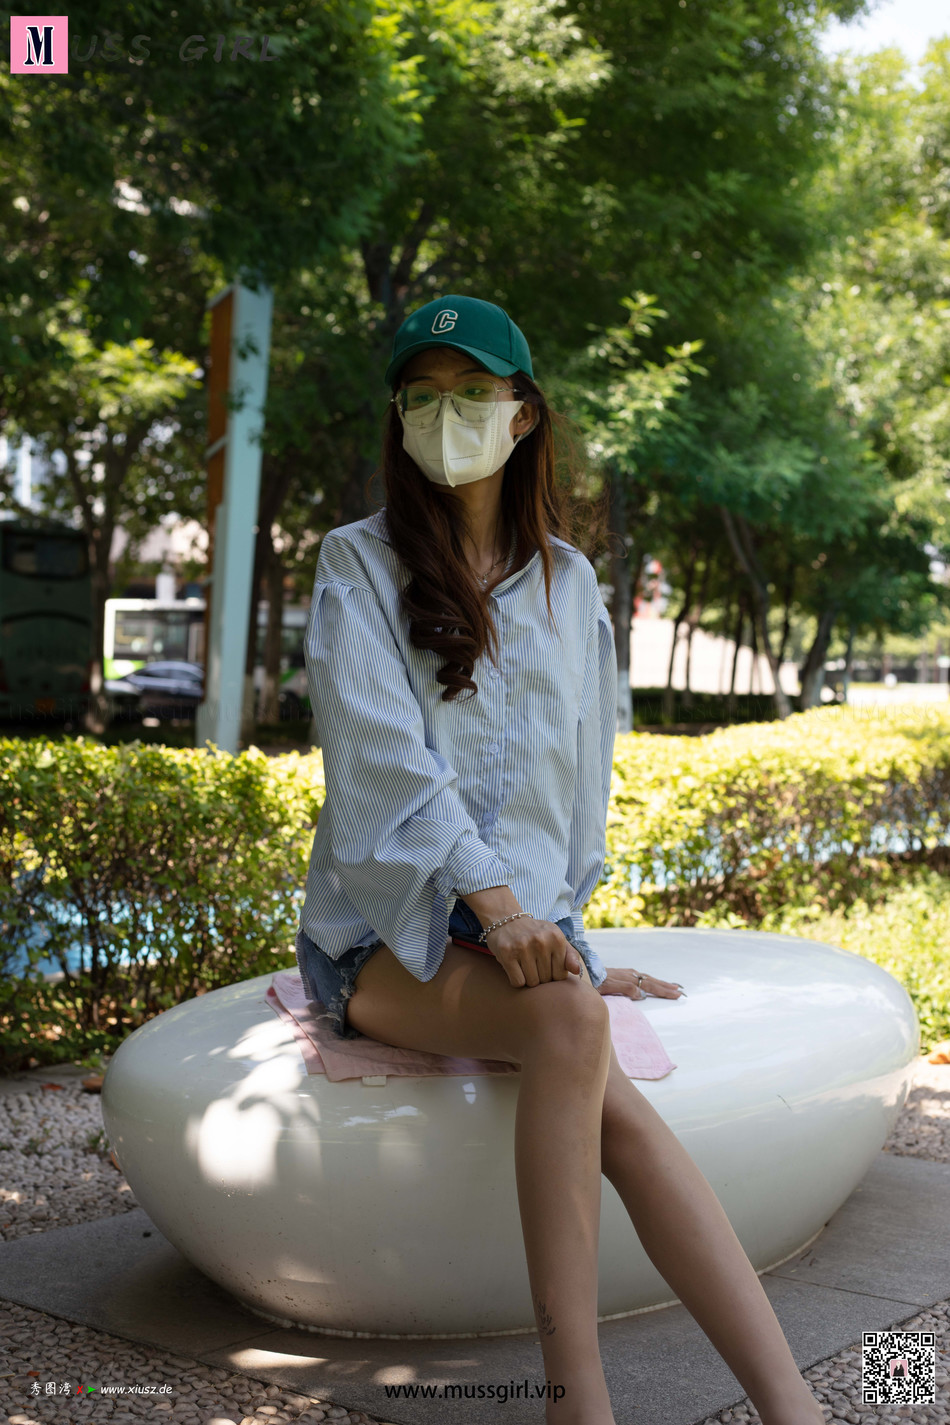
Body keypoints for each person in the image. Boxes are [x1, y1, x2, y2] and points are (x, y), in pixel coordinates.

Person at [296, 295, 826, 1425]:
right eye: (421, 396)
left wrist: (561, 934)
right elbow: (381, 761)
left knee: (604, 1082)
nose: (445, 417)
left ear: (524, 412)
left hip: (516, 939)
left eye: (471, 394)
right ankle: (577, 1402)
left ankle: (791, 1407)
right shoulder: (356, 563)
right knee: (575, 1029)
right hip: (386, 935)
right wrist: (497, 910)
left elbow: (575, 790)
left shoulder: (570, 582)